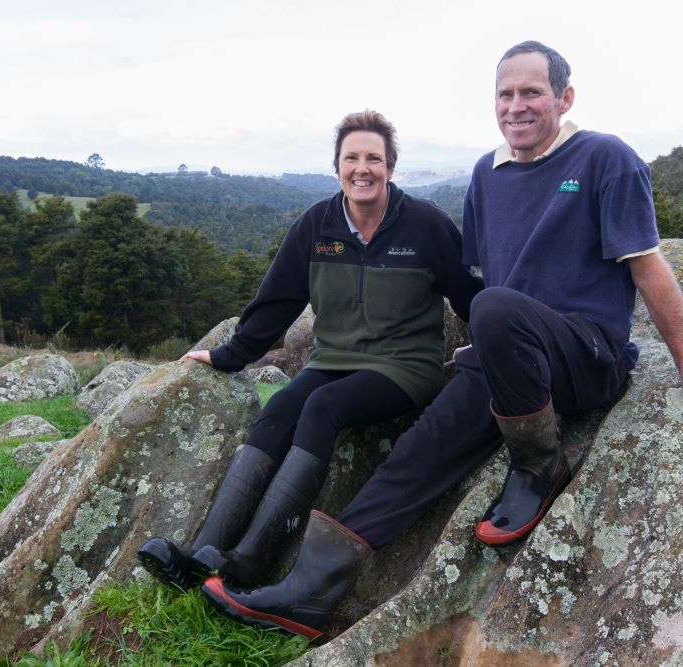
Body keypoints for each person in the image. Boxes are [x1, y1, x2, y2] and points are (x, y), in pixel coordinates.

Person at [201, 41, 683, 639]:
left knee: (495, 309)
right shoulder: (485, 176)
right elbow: (482, 283)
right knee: (413, 456)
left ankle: (538, 462)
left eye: (531, 92)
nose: (516, 106)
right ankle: (309, 595)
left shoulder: (605, 157)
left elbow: (647, 265)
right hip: (503, 356)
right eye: (505, 94)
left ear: (563, 97)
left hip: (586, 355)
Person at [136, 110, 482, 592]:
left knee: (323, 407)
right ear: (337, 165)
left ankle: (252, 559)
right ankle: (201, 553)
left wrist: (493, 348)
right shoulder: (317, 224)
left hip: (404, 367)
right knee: (279, 408)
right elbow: (277, 300)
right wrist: (230, 354)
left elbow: (469, 298)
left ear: (391, 167)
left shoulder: (426, 225)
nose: (362, 168)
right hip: (332, 360)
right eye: (352, 158)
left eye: (374, 159)